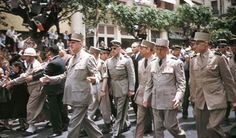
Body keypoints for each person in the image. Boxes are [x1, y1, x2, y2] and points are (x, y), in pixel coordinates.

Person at [40, 32, 103, 138]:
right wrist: (50, 79)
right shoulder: (72, 59)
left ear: (81, 43)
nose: (70, 45)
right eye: (69, 43)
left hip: (82, 96)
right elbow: (65, 75)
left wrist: (94, 79)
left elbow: (98, 74)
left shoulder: (88, 58)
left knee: (73, 125)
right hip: (72, 96)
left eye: (73, 43)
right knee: (85, 120)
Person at [189, 32, 236, 138]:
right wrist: (192, 98)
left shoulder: (218, 58)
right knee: (201, 131)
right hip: (200, 100)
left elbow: (228, 80)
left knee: (212, 127)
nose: (194, 46)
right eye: (194, 43)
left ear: (205, 43)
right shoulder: (193, 59)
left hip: (216, 98)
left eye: (197, 43)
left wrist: (233, 100)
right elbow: (192, 81)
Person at [143, 38, 186, 138]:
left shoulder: (176, 63)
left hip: (170, 100)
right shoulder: (152, 63)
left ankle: (181, 136)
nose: (159, 51)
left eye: (161, 49)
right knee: (157, 128)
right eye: (157, 49)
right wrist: (146, 98)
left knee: (170, 126)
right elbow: (149, 84)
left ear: (167, 49)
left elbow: (181, 83)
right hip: (156, 100)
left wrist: (178, 97)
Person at [26, 45, 69, 137]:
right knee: (61, 109)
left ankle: (57, 130)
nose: (47, 52)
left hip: (53, 90)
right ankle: (64, 125)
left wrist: (32, 77)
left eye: (48, 51)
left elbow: (44, 73)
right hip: (59, 88)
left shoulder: (53, 62)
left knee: (55, 111)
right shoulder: (60, 60)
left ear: (50, 52)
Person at [5, 47, 46, 136]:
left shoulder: (36, 65)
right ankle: (59, 121)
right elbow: (23, 77)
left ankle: (31, 126)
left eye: (26, 56)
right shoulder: (30, 64)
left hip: (37, 87)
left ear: (31, 57)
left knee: (30, 107)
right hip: (32, 88)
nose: (24, 58)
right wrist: (12, 82)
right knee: (44, 107)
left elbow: (41, 73)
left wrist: (12, 82)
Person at [106, 39, 135, 138]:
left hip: (124, 87)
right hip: (114, 88)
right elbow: (109, 77)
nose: (112, 50)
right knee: (120, 109)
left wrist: (131, 89)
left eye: (115, 48)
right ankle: (125, 124)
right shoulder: (108, 61)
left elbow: (131, 75)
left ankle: (116, 131)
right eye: (111, 48)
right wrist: (109, 87)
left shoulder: (126, 60)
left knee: (120, 110)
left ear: (119, 48)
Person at [134, 40, 154, 138]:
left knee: (157, 122)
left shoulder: (156, 61)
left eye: (142, 48)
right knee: (140, 120)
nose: (140, 49)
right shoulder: (140, 62)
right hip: (141, 95)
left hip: (154, 95)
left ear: (149, 49)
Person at [131, 42, 143, 115]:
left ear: (139, 47)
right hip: (134, 82)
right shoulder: (132, 57)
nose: (132, 49)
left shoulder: (142, 57)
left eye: (134, 47)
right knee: (133, 100)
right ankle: (137, 116)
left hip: (140, 82)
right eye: (132, 47)